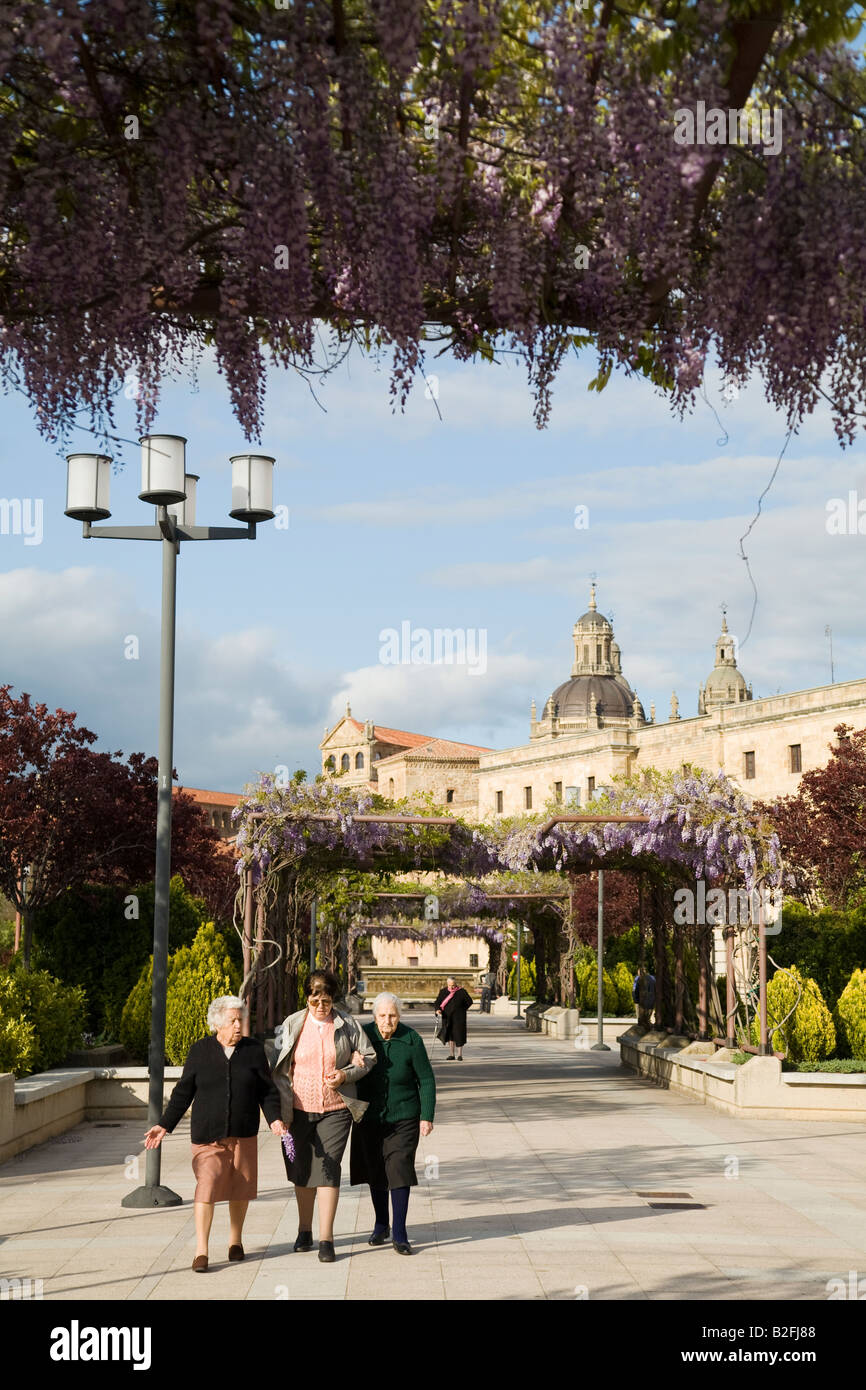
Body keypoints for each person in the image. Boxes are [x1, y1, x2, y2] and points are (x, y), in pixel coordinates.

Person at [144, 995, 286, 1273]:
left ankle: (235, 1241)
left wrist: (275, 1119)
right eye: (233, 1020)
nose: (238, 1026)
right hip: (207, 1135)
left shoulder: (254, 1051)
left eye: (241, 1020)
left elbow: (266, 1091)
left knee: (240, 1188)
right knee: (206, 1185)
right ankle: (202, 1250)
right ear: (217, 1023)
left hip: (243, 1133)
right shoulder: (200, 1051)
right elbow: (183, 1092)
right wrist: (164, 1124)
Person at [273, 968, 376, 1263]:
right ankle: (304, 1229)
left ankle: (326, 1238)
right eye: (315, 998)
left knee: (329, 1168)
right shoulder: (291, 1024)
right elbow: (276, 1066)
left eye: (326, 999)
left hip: (336, 1110)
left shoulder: (347, 1024)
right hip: (297, 1111)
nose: (321, 1005)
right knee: (302, 1170)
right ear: (306, 998)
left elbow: (369, 1057)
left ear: (333, 999)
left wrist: (345, 1074)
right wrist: (278, 1109)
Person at [350, 992, 435, 1255]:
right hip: (369, 1116)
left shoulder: (411, 1039)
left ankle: (400, 1232)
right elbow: (340, 1065)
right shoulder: (363, 1037)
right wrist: (351, 1060)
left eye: (393, 1015)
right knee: (375, 1171)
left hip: (404, 1117)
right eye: (383, 1015)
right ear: (374, 1016)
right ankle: (380, 1224)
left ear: (399, 1016)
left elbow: (427, 1080)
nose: (388, 1020)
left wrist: (426, 1116)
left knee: (399, 1169)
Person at [434, 976, 473, 1060]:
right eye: (450, 985)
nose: (451, 987)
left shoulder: (461, 992)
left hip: (459, 1017)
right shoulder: (443, 992)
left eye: (453, 985)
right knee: (450, 1035)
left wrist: (462, 1009)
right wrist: (438, 1010)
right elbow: (437, 1002)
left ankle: (459, 1055)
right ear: (447, 984)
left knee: (459, 1035)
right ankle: (451, 1054)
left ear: (456, 984)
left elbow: (470, 1001)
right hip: (447, 1017)